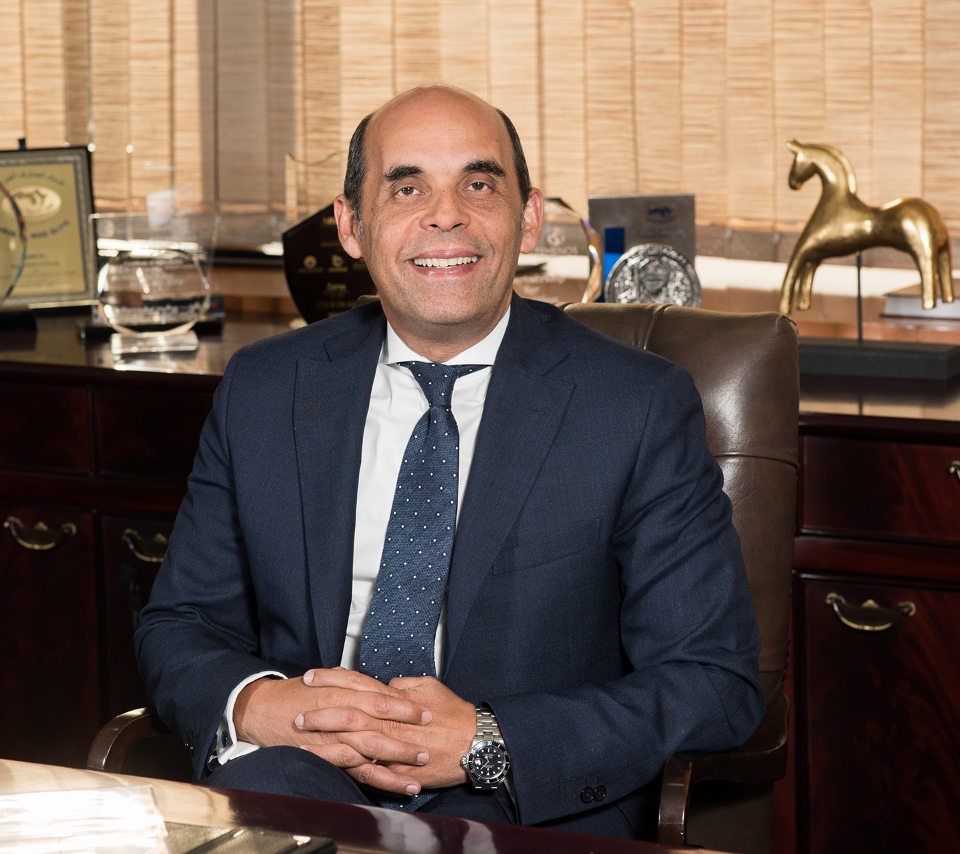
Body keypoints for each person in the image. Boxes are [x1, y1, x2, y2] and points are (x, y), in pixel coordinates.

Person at [135, 84, 762, 840]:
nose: (445, 215)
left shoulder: (634, 406)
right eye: (407, 188)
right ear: (351, 225)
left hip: (522, 804)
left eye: (479, 185)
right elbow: (181, 623)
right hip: (306, 781)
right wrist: (260, 706)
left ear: (528, 218)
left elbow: (712, 681)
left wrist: (486, 742)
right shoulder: (266, 388)